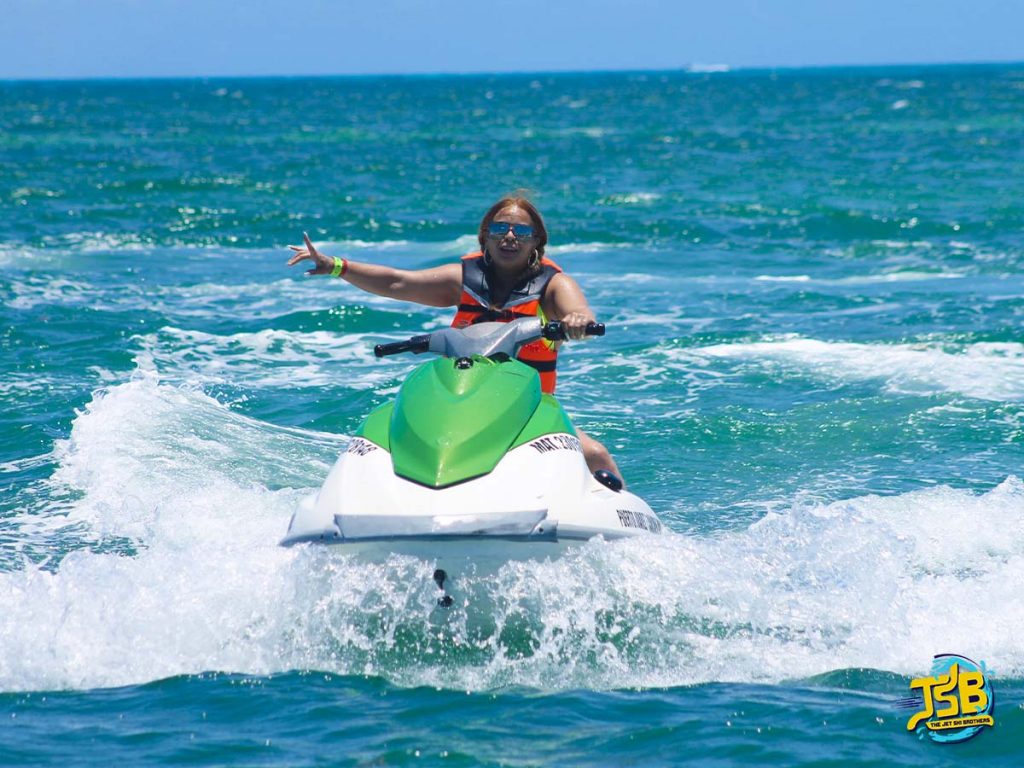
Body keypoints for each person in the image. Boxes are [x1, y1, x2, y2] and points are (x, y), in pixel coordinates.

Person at [287, 194, 625, 484]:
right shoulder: (463, 279)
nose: (509, 236)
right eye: (499, 229)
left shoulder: (554, 286)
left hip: (528, 408)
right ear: (484, 237)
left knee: (595, 454)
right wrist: (335, 265)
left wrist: (578, 321)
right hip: (459, 402)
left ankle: (632, 530)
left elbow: (578, 310)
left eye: (521, 231)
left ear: (537, 241)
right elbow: (397, 283)